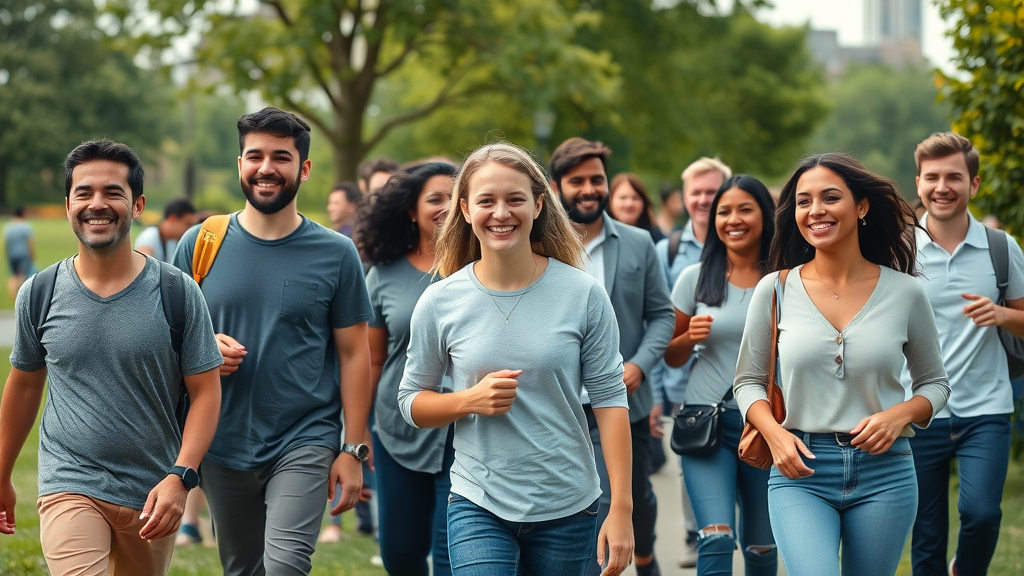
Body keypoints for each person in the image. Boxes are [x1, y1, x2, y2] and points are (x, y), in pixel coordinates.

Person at [398, 142, 634, 576]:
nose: (501, 213)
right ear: (465, 210)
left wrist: (621, 507)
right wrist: (468, 400)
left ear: (539, 204)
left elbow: (610, 400)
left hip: (568, 505)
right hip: (477, 501)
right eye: (486, 200)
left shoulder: (583, 294)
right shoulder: (440, 301)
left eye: (515, 199)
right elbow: (411, 401)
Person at [0, 139, 222, 575]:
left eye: (112, 192)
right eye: (84, 193)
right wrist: (2, 470)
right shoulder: (40, 294)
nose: (96, 204)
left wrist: (182, 475)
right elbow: (24, 385)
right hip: (71, 482)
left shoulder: (177, 293)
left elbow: (206, 393)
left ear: (137, 204)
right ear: (67, 205)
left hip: (154, 493)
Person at [172, 107, 374, 576]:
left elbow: (353, 354)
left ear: (303, 169)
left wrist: (353, 448)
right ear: (239, 163)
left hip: (305, 435)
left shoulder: (336, 253)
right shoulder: (199, 242)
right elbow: (165, 339)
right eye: (255, 155)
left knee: (285, 565)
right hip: (221, 439)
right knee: (243, 568)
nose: (266, 168)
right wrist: (200, 352)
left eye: (281, 157)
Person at [734, 152, 950, 575]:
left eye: (830, 198)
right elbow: (747, 383)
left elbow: (935, 384)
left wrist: (899, 415)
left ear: (861, 206)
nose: (815, 211)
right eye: (803, 201)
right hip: (800, 470)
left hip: (886, 472)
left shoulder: (906, 293)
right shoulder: (773, 290)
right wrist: (774, 435)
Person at [550, 137, 674, 576]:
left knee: (635, 495)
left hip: (624, 400)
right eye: (577, 180)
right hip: (559, 403)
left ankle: (645, 554)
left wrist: (639, 364)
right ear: (556, 185)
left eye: (596, 179)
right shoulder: (541, 247)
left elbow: (662, 316)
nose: (589, 188)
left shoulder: (638, 243)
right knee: (590, 502)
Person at [905, 132, 1024, 576]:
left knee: (983, 515)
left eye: (954, 177)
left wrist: (999, 314)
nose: (942, 187)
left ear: (973, 184)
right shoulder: (899, 251)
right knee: (927, 535)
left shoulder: (1001, 248)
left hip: (986, 409)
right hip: (918, 411)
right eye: (932, 177)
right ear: (918, 183)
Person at [347, 161, 458, 575]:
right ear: (411, 210)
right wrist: (358, 433)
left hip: (471, 430)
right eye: (435, 199)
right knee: (400, 554)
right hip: (399, 428)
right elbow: (372, 358)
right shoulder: (384, 274)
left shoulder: (487, 266)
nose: (446, 206)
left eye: (455, 197)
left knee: (454, 553)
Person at [664, 175, 777, 575]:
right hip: (706, 422)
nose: (733, 219)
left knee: (762, 546)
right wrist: (687, 337)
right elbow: (672, 357)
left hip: (768, 427)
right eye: (724, 211)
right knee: (716, 536)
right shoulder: (694, 278)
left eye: (745, 209)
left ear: (765, 215)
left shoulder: (788, 277)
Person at [651, 156, 731, 568]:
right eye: (696, 192)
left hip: (748, 388)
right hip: (686, 385)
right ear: (684, 197)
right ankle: (692, 533)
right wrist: (656, 393)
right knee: (694, 462)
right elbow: (660, 326)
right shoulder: (669, 252)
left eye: (712, 191)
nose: (704, 200)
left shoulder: (752, 246)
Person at [135, 197, 198, 262]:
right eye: (188, 224)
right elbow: (144, 268)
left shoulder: (171, 242)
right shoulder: (149, 236)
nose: (190, 229)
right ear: (173, 219)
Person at [608, 173, 664, 243]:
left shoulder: (657, 240)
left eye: (635, 198)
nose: (629, 204)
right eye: (623, 197)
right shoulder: (600, 236)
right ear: (610, 200)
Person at [3, 207, 36, 299]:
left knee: (13, 275)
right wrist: (32, 255)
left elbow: (6, 243)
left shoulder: (8, 228)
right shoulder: (25, 227)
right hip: (23, 254)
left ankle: (13, 297)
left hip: (11, 255)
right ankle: (20, 297)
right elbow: (29, 242)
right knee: (22, 275)